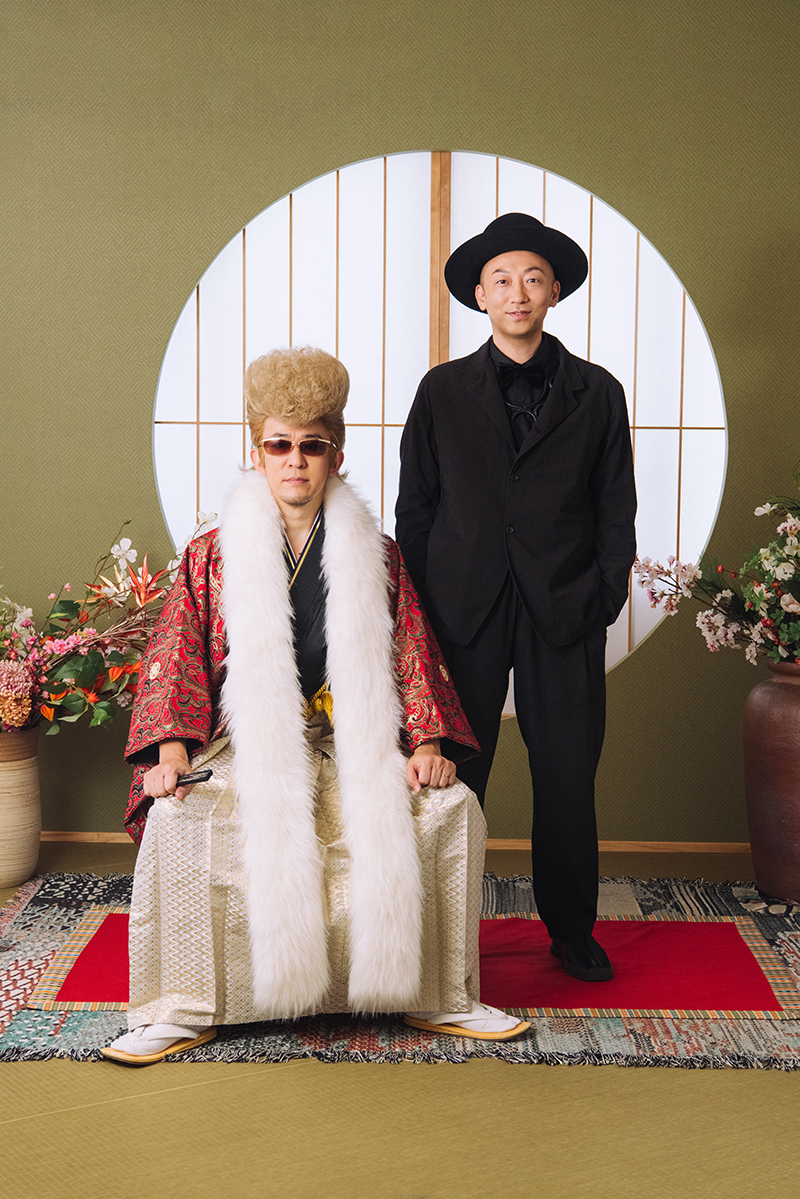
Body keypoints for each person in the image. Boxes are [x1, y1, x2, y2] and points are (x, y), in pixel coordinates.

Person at [102, 346, 529, 1065]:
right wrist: (171, 752)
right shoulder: (210, 555)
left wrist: (428, 744)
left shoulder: (379, 555)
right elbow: (175, 656)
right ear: (257, 453)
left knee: (451, 809)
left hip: (353, 741)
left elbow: (413, 655)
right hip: (245, 746)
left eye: (312, 445)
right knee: (177, 816)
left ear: (337, 454)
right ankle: (183, 1005)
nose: (295, 461)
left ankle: (438, 993)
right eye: (280, 445)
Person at [395, 213, 637, 983]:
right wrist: (425, 605)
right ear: (480, 295)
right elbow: (415, 507)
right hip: (461, 609)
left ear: (555, 290)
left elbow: (616, 509)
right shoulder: (441, 391)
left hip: (564, 609)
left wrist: (601, 596)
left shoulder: (598, 393)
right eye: (501, 279)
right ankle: (442, 934)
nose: (517, 292)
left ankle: (571, 931)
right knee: (455, 775)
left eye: (533, 278)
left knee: (566, 778)